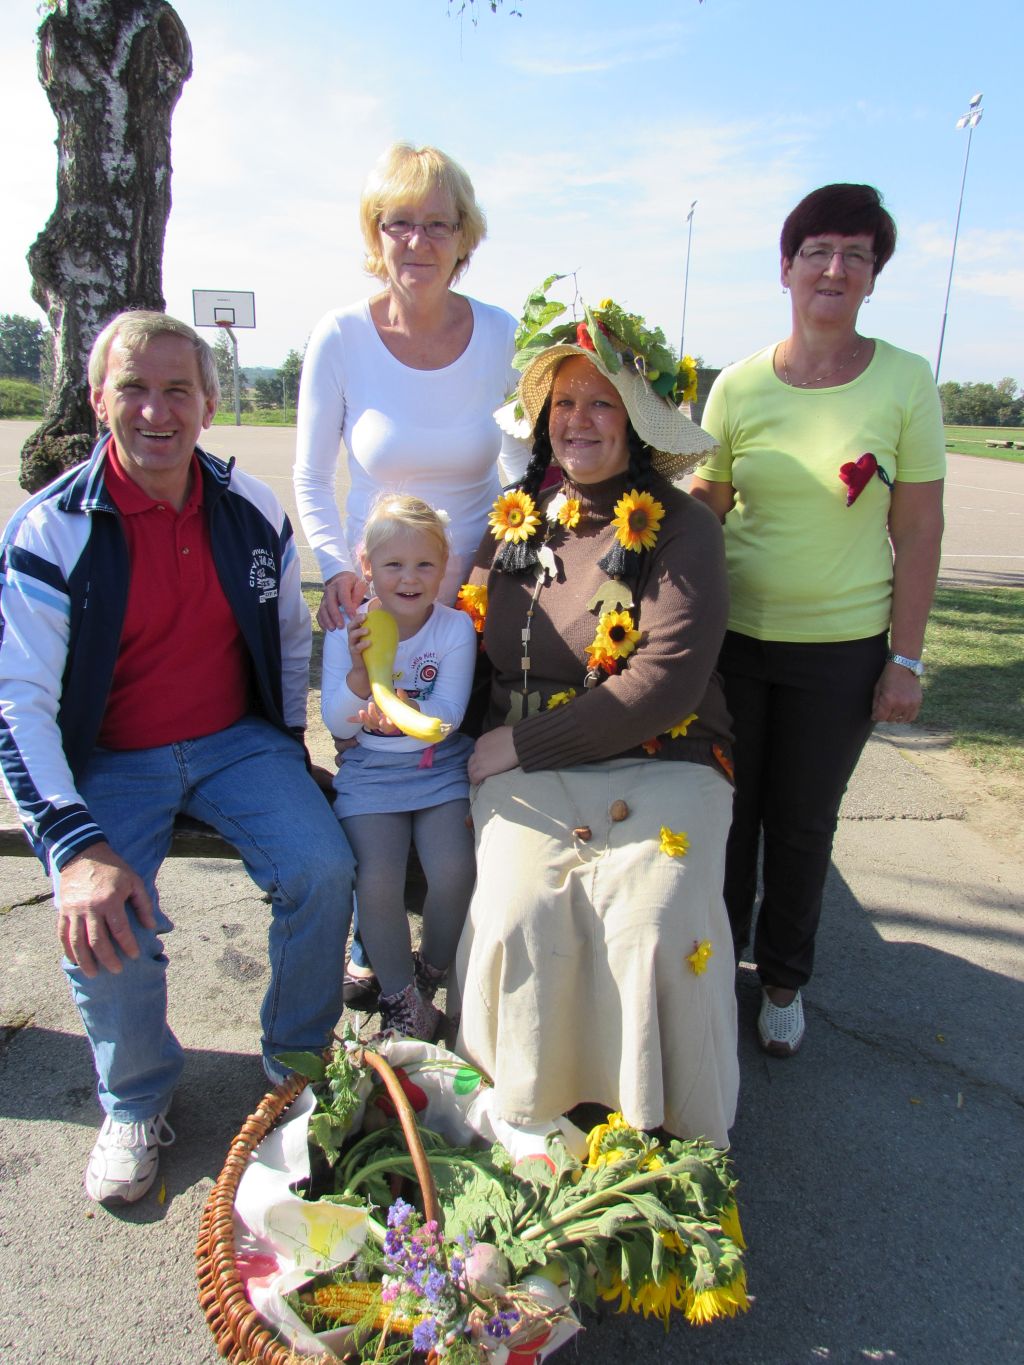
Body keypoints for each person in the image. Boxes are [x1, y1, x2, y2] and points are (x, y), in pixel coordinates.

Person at [0, 311, 355, 1205]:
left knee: (322, 865)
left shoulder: (251, 508)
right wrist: (73, 847)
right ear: (97, 399)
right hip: (111, 754)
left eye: (177, 390)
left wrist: (289, 746)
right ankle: (135, 1097)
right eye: (133, 387)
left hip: (237, 741)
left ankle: (296, 1064)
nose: (155, 410)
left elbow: (289, 641)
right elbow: (18, 707)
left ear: (208, 404)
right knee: (103, 911)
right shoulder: (50, 530)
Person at [454, 300, 739, 1147]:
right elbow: (458, 634)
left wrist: (519, 743)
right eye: (564, 403)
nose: (578, 420)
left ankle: (664, 1121)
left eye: (601, 403)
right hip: (527, 771)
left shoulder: (684, 528)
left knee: (654, 917)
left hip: (667, 756)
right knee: (520, 908)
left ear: (637, 421)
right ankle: (524, 1106)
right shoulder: (514, 518)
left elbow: (666, 684)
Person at [689, 183, 945, 1058]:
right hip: (733, 646)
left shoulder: (905, 379)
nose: (835, 268)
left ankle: (784, 981)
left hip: (841, 653)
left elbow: (918, 528)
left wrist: (905, 658)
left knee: (801, 824)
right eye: (818, 251)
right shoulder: (738, 385)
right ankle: (713, 969)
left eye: (857, 255)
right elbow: (706, 509)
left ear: (873, 277)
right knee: (726, 817)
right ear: (786, 267)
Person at [293, 141, 530, 1011]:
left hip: (473, 601)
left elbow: (519, 470)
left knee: (450, 782)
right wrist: (337, 572)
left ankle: (448, 959)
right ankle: (377, 939)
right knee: (374, 764)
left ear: (465, 235)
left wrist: (483, 574)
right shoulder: (341, 336)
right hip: (378, 599)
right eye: (400, 223)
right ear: (375, 232)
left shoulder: (500, 333)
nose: (419, 241)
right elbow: (312, 478)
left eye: (438, 223)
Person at [321, 494, 477, 1041]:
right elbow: (336, 720)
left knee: (454, 870)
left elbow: (449, 715)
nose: (409, 578)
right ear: (367, 566)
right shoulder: (351, 628)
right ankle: (401, 999)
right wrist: (360, 676)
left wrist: (404, 715)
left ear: (444, 567)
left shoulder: (454, 629)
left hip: (438, 768)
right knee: (375, 881)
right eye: (393, 565)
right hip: (370, 773)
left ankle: (429, 972)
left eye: (424, 565)